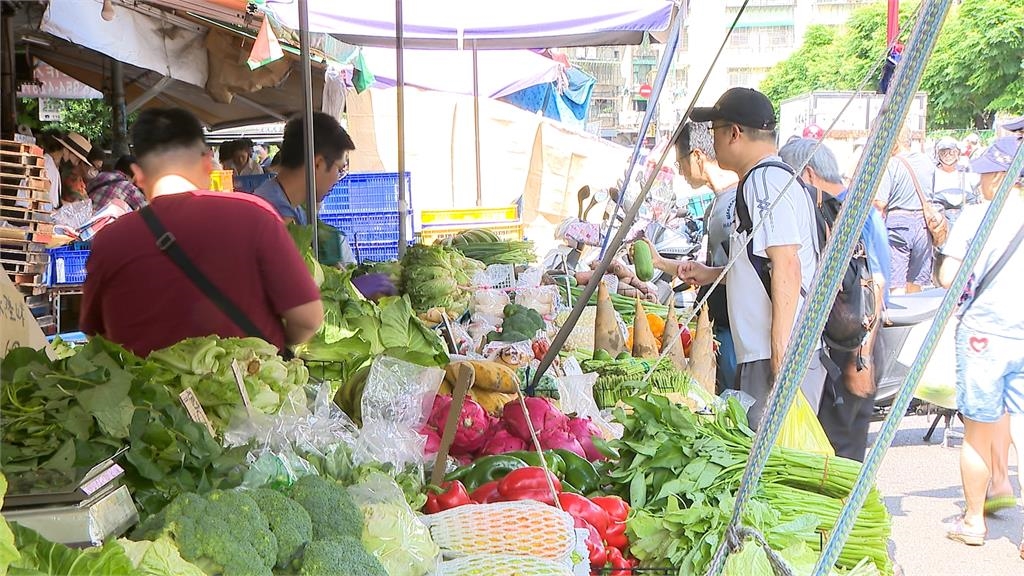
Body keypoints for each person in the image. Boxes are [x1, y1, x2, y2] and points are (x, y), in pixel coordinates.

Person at [80, 107, 323, 357]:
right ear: (208, 163)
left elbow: (95, 335)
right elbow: (307, 319)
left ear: (138, 177)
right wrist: (272, 345)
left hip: (141, 393)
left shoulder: (110, 239)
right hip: (244, 390)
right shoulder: (255, 215)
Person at [663, 88, 826, 427]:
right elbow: (762, 262)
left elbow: (786, 265)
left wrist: (781, 356)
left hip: (775, 354)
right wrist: (711, 273)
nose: (714, 141)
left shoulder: (765, 181)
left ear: (734, 133)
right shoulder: (765, 179)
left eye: (716, 131)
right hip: (769, 352)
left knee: (774, 465)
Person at [937, 137, 1023, 558]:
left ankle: (973, 520)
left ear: (997, 176)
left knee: (976, 432)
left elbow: (948, 275)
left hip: (983, 334)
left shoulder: (976, 216)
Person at [779, 137, 890, 461]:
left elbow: (877, 286)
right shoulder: (839, 208)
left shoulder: (855, 213)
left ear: (808, 175)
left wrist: (862, 359)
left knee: (840, 449)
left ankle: (847, 510)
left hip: (856, 346)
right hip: (841, 345)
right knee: (829, 444)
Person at [252, 113, 392, 299]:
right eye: (339, 169)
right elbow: (288, 297)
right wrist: (350, 290)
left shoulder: (291, 205)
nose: (337, 179)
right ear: (317, 164)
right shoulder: (277, 216)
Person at [660, 120, 739, 393]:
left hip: (734, 332)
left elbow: (745, 270)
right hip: (718, 327)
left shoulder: (735, 202)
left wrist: (707, 275)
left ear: (697, 156)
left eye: (680, 162)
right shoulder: (718, 202)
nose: (680, 171)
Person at [875, 130, 935, 295]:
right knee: (916, 282)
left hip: (898, 223)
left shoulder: (891, 163)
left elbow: (880, 202)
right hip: (925, 224)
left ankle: (900, 318)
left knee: (897, 282)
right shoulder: (926, 161)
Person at [931, 137, 980, 225]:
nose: (948, 156)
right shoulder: (932, 173)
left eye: (952, 152)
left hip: (965, 218)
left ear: (958, 153)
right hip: (940, 219)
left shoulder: (967, 172)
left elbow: (977, 193)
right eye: (943, 153)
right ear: (937, 155)